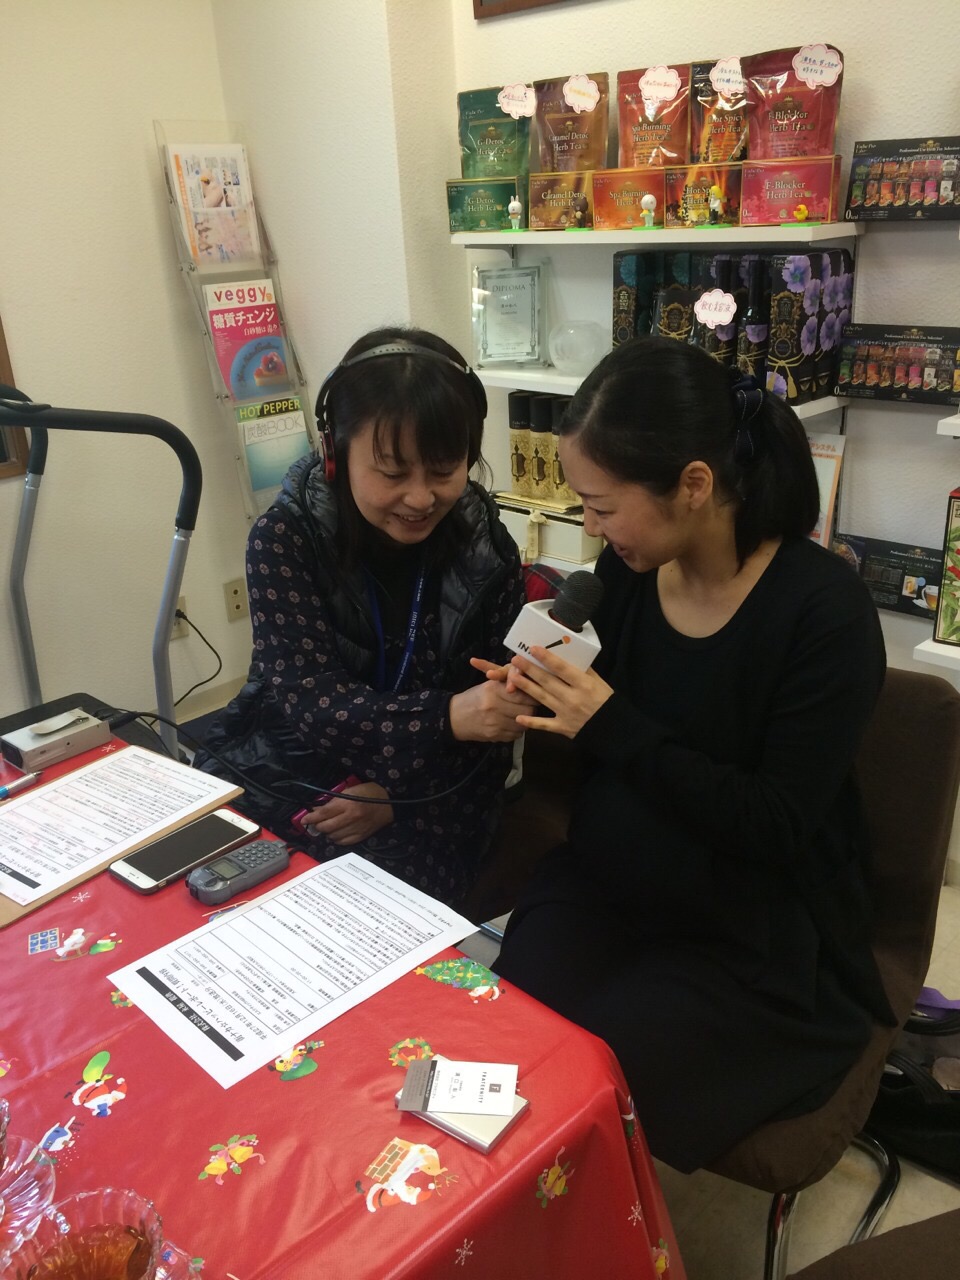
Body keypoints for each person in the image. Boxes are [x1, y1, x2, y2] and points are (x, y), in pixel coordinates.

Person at [487, 336, 895, 1172]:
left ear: (695, 485)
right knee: (509, 1029)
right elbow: (595, 760)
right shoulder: (628, 576)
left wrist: (607, 722)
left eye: (602, 506)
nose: (590, 527)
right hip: (615, 879)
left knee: (596, 1079)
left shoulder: (825, 614)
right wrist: (531, 700)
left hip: (752, 930)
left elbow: (773, 824)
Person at [197, 327, 533, 908]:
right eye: (393, 474)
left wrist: (398, 798)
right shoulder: (285, 540)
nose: (422, 498)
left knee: (375, 915)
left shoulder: (487, 550)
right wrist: (448, 717)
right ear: (336, 454)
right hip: (298, 767)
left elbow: (496, 727)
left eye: (444, 469)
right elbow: (312, 703)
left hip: (433, 796)